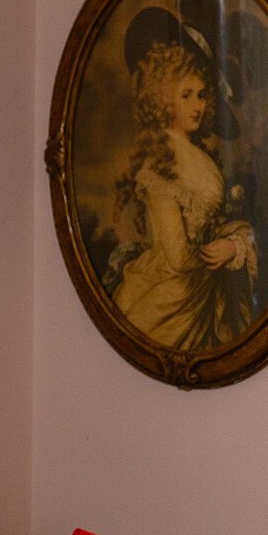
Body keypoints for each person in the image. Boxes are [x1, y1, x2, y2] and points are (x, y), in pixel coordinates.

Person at [111, 40, 257, 350]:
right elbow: (176, 256)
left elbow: (214, 221)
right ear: (164, 100)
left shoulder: (199, 154)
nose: (197, 106)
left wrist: (234, 246)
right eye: (186, 96)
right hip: (176, 294)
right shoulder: (160, 159)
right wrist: (220, 251)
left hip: (206, 286)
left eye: (202, 95)